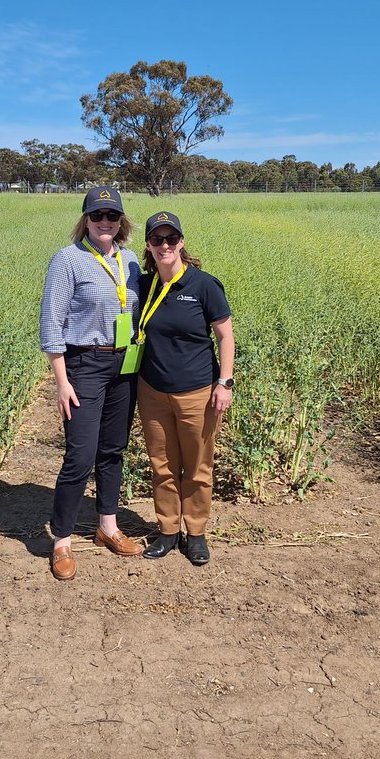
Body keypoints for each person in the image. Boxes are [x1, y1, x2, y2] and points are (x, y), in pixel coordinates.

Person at [39, 186, 144, 580]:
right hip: (83, 365)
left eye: (112, 216)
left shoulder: (131, 261)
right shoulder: (68, 261)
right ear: (85, 220)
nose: (105, 222)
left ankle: (108, 527)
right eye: (97, 216)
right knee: (79, 457)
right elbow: (51, 322)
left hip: (124, 366)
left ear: (121, 222)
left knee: (113, 451)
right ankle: (62, 540)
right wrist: (61, 381)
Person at [135, 211, 234, 566]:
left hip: (198, 392)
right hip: (152, 392)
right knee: (161, 465)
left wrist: (224, 382)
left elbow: (225, 336)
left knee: (197, 467)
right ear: (148, 245)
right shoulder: (144, 286)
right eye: (157, 239)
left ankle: (195, 534)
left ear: (181, 242)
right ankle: (166, 531)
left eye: (171, 239)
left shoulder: (204, 285)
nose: (165, 245)